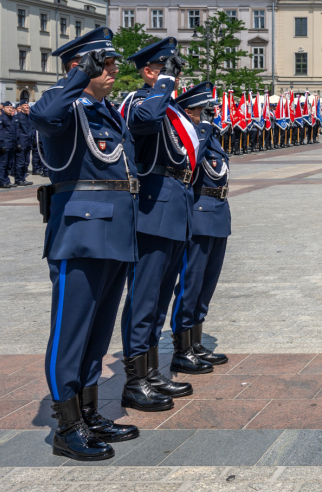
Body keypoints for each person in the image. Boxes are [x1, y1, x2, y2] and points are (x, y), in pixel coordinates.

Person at [31, 27, 139, 460]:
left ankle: (89, 412)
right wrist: (76, 77)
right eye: (104, 64)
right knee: (70, 333)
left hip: (114, 232)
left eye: (111, 63)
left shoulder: (102, 110)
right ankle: (66, 426)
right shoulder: (68, 107)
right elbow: (42, 115)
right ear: (81, 68)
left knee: (97, 333)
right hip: (81, 234)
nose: (113, 70)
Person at [119, 37, 202, 414]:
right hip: (154, 208)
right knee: (144, 298)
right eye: (168, 70)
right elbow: (145, 123)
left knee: (160, 298)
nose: (176, 77)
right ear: (149, 71)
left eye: (176, 71)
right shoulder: (140, 101)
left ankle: (151, 372)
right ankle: (135, 380)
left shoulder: (168, 108)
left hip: (174, 205)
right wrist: (162, 86)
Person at [170, 83, 231, 367]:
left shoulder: (210, 136)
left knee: (207, 284)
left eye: (209, 110)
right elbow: (189, 165)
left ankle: (196, 341)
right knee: (190, 283)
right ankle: (182, 349)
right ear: (187, 112)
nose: (208, 114)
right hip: (198, 213)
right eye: (201, 110)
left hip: (217, 213)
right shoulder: (189, 138)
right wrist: (202, 130)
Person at [14, 99, 34, 186]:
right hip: (21, 143)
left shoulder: (29, 117)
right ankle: (18, 179)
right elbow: (16, 131)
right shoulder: (18, 117)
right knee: (20, 162)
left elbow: (31, 129)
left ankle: (23, 178)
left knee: (26, 162)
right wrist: (17, 142)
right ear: (21, 107)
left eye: (27, 105)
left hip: (28, 142)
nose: (27, 106)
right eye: (25, 105)